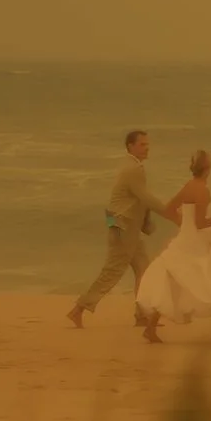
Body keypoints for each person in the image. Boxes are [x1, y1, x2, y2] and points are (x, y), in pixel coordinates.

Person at [136, 148, 211, 345]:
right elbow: (201, 223)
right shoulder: (203, 190)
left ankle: (150, 328)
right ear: (207, 169)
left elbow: (169, 209)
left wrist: (183, 223)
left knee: (176, 279)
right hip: (195, 242)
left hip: (186, 238)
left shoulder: (189, 185)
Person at [66, 129, 164, 328]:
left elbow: (136, 200)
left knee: (144, 270)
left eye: (147, 144)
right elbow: (145, 198)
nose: (147, 148)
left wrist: (145, 223)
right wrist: (171, 212)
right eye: (142, 145)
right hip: (123, 227)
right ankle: (79, 309)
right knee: (112, 272)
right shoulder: (133, 169)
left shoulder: (133, 166)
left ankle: (142, 315)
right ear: (131, 146)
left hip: (126, 227)